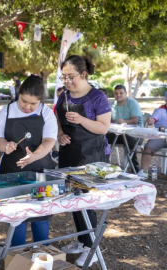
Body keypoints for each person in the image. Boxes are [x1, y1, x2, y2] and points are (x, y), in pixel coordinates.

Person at [55, 55, 111, 267]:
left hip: (91, 155)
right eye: (64, 77)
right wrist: (60, 134)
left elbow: (103, 127)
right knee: (73, 200)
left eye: (71, 77)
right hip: (69, 152)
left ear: (84, 74)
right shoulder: (64, 96)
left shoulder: (98, 97)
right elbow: (57, 120)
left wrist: (81, 120)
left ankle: (92, 248)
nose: (67, 81)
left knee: (86, 202)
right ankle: (82, 240)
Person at [0, 75, 58, 246]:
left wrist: (35, 155)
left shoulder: (46, 112)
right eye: (24, 101)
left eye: (33, 104)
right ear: (18, 93)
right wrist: (5, 146)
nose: (28, 107)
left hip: (40, 169)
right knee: (16, 216)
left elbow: (49, 141)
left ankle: (42, 253)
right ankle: (16, 255)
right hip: (11, 172)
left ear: (40, 101)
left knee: (41, 215)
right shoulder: (6, 111)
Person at [106, 84, 143, 172]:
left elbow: (135, 120)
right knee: (101, 137)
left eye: (121, 93)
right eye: (116, 93)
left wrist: (123, 121)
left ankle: (135, 168)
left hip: (134, 134)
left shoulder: (132, 103)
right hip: (118, 133)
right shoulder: (113, 104)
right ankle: (102, 164)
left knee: (128, 139)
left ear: (126, 93)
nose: (118, 95)